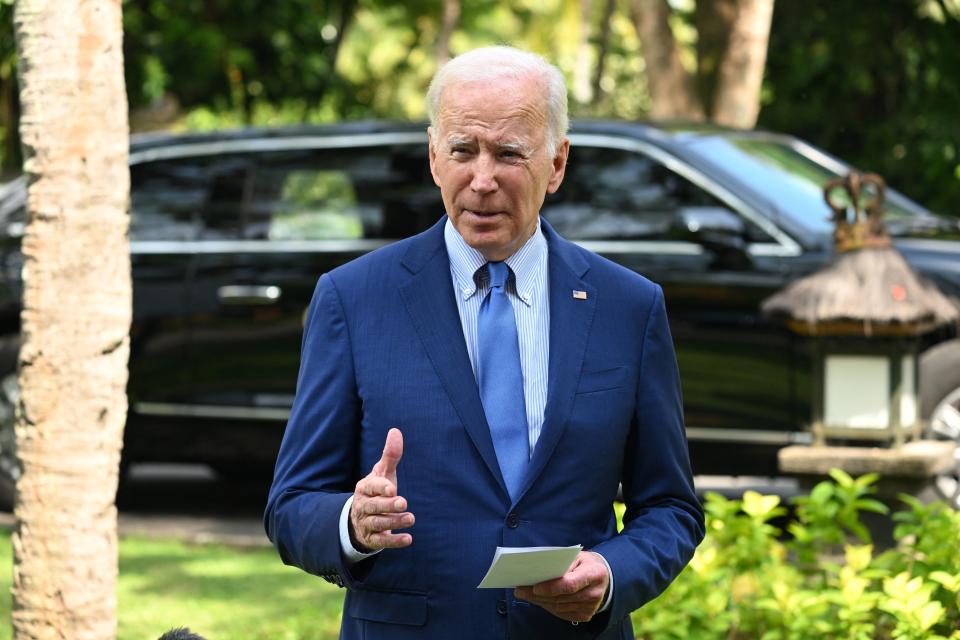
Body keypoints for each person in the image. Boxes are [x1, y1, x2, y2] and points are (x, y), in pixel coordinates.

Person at [264, 45, 704, 640]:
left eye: (509, 154)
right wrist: (352, 521)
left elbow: (671, 507)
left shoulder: (629, 307)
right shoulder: (354, 298)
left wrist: (609, 572)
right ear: (433, 157)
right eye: (463, 150)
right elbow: (292, 503)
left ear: (556, 163)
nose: (482, 179)